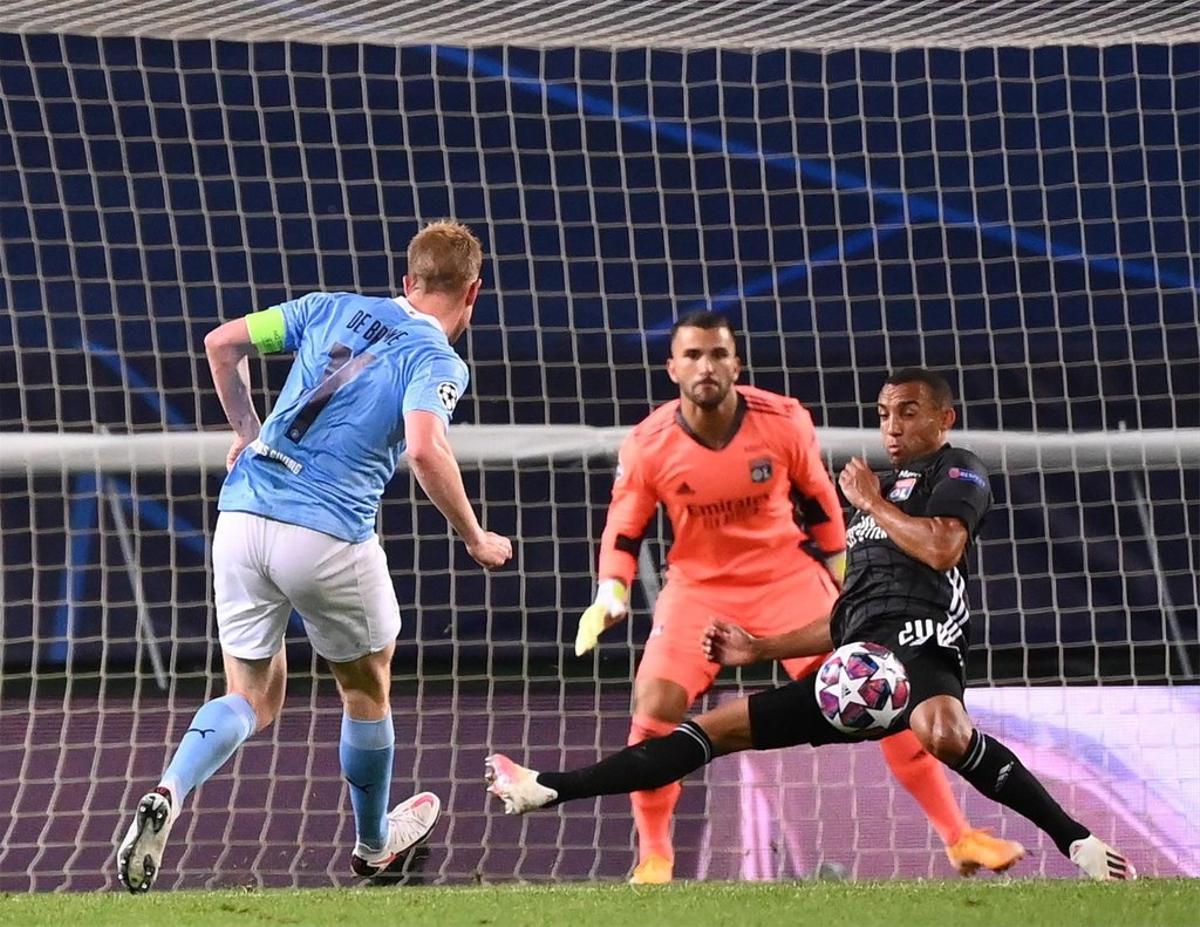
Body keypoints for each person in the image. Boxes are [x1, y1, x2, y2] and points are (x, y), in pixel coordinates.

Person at [487, 367, 1135, 882]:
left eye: (907, 411)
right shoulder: (869, 509)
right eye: (883, 413)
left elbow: (942, 549)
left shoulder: (957, 467)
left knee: (940, 729)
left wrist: (873, 502)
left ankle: (1073, 839)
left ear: (944, 417)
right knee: (702, 732)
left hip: (921, 649)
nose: (891, 425)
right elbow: (844, 620)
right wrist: (759, 646)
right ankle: (546, 788)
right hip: (853, 670)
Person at [117, 220, 512, 893]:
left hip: (242, 516)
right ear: (472, 292)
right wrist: (475, 535)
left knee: (251, 695)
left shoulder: (328, 306)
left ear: (406, 279)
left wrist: (246, 431)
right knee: (364, 683)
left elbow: (221, 343)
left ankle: (169, 788)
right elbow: (424, 447)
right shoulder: (438, 357)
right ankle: (371, 843)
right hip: (326, 533)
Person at [573, 319, 1021, 883]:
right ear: (673, 368)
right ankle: (656, 856)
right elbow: (623, 528)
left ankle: (960, 838)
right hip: (698, 589)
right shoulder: (648, 442)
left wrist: (847, 580)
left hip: (786, 576)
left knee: (882, 683)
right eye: (692, 355)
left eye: (718, 354)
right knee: (655, 704)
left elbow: (820, 505)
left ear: (736, 365)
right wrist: (610, 591)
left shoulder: (783, 420)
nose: (705, 366)